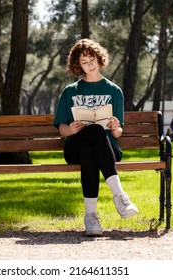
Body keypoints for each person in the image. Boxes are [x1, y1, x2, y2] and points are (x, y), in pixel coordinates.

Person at [53, 39, 139, 236]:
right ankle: (119, 196)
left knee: (92, 146)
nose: (89, 64)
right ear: (78, 64)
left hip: (106, 149)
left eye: (92, 59)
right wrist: (72, 130)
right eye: (84, 61)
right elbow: (61, 129)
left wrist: (116, 127)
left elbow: (117, 133)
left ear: (99, 59)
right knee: (91, 136)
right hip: (74, 145)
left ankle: (91, 218)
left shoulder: (113, 91)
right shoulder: (70, 91)